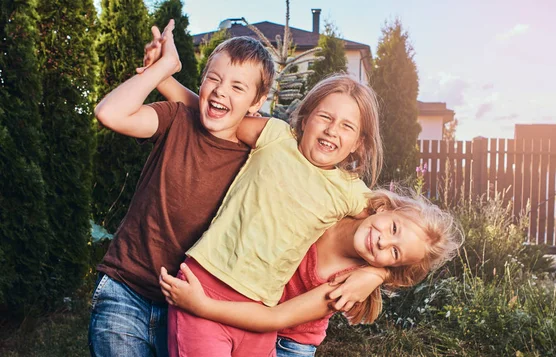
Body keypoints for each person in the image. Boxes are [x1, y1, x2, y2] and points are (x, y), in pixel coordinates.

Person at [143, 28, 386, 357]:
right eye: (325, 117)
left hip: (260, 311)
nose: (332, 130)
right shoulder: (275, 136)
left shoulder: (351, 192)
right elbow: (212, 114)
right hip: (207, 281)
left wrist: (376, 273)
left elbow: (401, 234)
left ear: (358, 143)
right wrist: (161, 76)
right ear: (305, 118)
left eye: (347, 126)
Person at [88, 20, 276, 357]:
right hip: (125, 290)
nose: (220, 91)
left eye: (238, 87)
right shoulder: (176, 119)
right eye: (213, 79)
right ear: (202, 82)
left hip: (191, 311)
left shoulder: (258, 156)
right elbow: (109, 113)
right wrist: (162, 68)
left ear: (257, 101)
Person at [159, 189, 462, 356]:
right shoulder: (340, 203)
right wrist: (378, 275)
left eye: (394, 253)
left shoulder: (344, 284)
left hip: (288, 341)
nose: (383, 241)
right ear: (384, 208)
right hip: (252, 313)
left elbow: (274, 320)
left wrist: (202, 306)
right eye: (393, 228)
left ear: (392, 266)